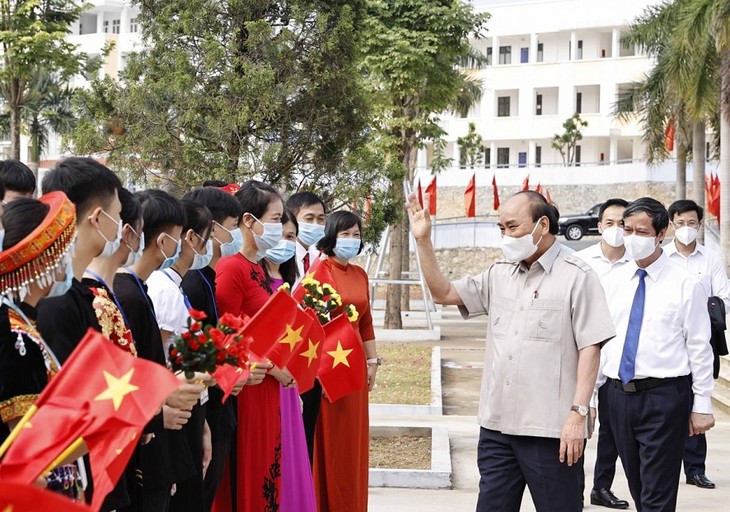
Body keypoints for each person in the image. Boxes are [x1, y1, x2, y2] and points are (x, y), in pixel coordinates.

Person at [406, 190, 615, 512]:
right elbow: (443, 292)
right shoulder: (499, 273)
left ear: (542, 225)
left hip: (551, 431)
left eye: (513, 227)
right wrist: (423, 242)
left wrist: (578, 414)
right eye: (501, 228)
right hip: (497, 428)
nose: (506, 235)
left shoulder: (578, 277)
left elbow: (591, 347)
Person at [597, 197, 715, 512]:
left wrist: (702, 404)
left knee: (656, 493)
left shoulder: (686, 284)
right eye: (628, 229)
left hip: (663, 397)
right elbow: (603, 340)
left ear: (661, 233)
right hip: (618, 395)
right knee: (638, 486)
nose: (632, 238)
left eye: (641, 231)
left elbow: (700, 347)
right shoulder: (614, 281)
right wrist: (591, 396)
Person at [114, 190, 206, 512]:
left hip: (156, 428)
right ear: (165, 240)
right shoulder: (128, 297)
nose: (183, 247)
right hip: (146, 435)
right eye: (181, 237)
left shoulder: (138, 291)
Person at [0, 192, 83, 500]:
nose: (67, 261)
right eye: (64, 251)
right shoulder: (14, 335)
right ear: (45, 260)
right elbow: (23, 442)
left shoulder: (21, 323)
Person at [212, 180, 285, 512]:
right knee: (246, 474)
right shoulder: (232, 268)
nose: (280, 227)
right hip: (247, 385)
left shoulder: (258, 268)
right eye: (275, 218)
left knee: (266, 473)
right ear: (247, 220)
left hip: (267, 384)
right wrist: (260, 364)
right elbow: (223, 333)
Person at [179, 186, 246, 511]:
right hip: (206, 409)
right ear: (212, 227)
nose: (236, 235)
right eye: (233, 226)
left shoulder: (206, 276)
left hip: (219, 408)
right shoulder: (192, 281)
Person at [146, 199, 213, 512]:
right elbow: (157, 360)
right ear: (189, 239)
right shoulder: (161, 288)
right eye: (208, 238)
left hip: (187, 409)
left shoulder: (177, 287)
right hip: (170, 412)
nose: (210, 247)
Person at [312, 210, 378, 512]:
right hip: (330, 371)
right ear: (330, 236)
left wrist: (372, 362)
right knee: (334, 445)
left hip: (356, 371)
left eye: (356, 234)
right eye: (345, 234)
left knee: (354, 446)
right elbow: (312, 325)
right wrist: (323, 374)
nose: (352, 240)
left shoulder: (360, 273)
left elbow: (365, 323)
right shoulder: (318, 273)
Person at [665, 199, 730, 490]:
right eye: (680, 224)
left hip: (703, 342)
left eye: (692, 223)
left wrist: (698, 315)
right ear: (671, 225)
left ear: (700, 225)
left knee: (697, 401)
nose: (686, 229)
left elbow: (724, 299)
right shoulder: (662, 257)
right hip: (669, 343)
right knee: (668, 405)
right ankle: (665, 465)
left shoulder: (711, 258)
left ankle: (694, 469)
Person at [575, 198, 631, 510]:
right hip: (583, 359)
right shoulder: (582, 263)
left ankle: (602, 487)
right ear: (599, 227)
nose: (616, 229)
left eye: (622, 223)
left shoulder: (636, 265)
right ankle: (574, 493)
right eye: (609, 223)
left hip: (617, 364)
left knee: (611, 432)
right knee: (578, 429)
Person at [260, 209, 316, 512]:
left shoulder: (290, 280)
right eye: (281, 234)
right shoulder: (256, 279)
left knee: (293, 457)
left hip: (288, 381)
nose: (285, 242)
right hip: (267, 378)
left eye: (291, 237)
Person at [285, 191, 327, 464]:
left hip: (314, 358)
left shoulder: (322, 260)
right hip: (286, 360)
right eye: (308, 218)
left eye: (321, 219)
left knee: (308, 437)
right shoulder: (282, 258)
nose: (315, 225)